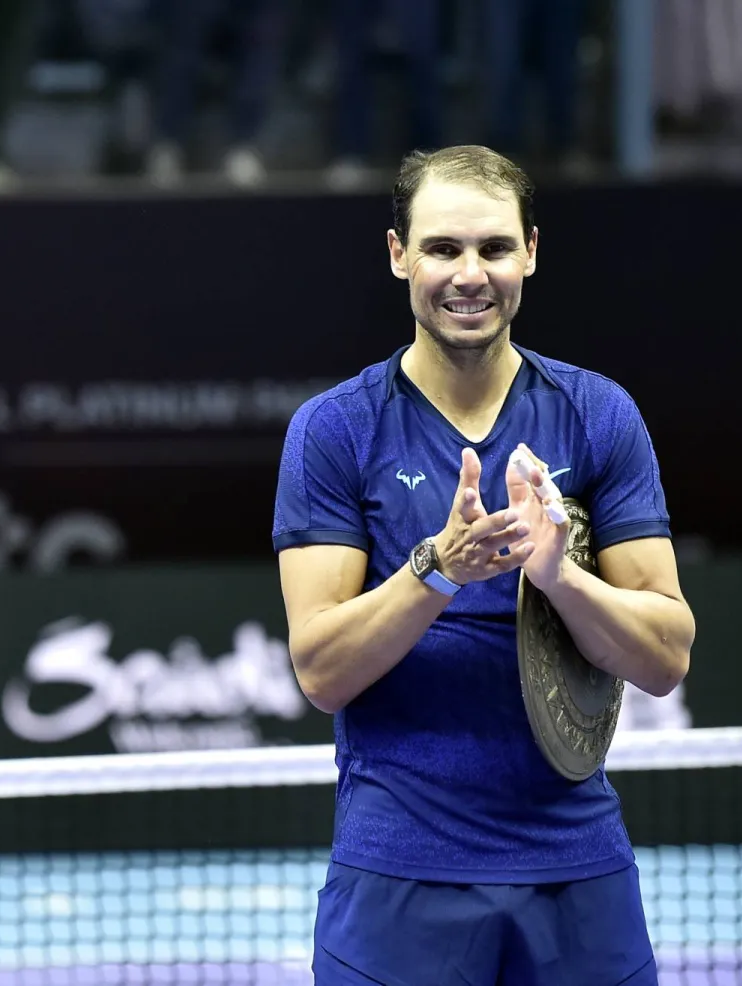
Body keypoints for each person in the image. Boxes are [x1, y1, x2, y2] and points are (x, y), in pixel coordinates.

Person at [272, 144, 694, 985]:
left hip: (577, 867)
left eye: (495, 248)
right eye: (443, 248)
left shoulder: (598, 414)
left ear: (531, 252)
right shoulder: (335, 430)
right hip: (397, 874)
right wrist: (440, 568)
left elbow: (666, 657)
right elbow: (320, 671)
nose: (471, 274)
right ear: (399, 256)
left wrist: (562, 579)